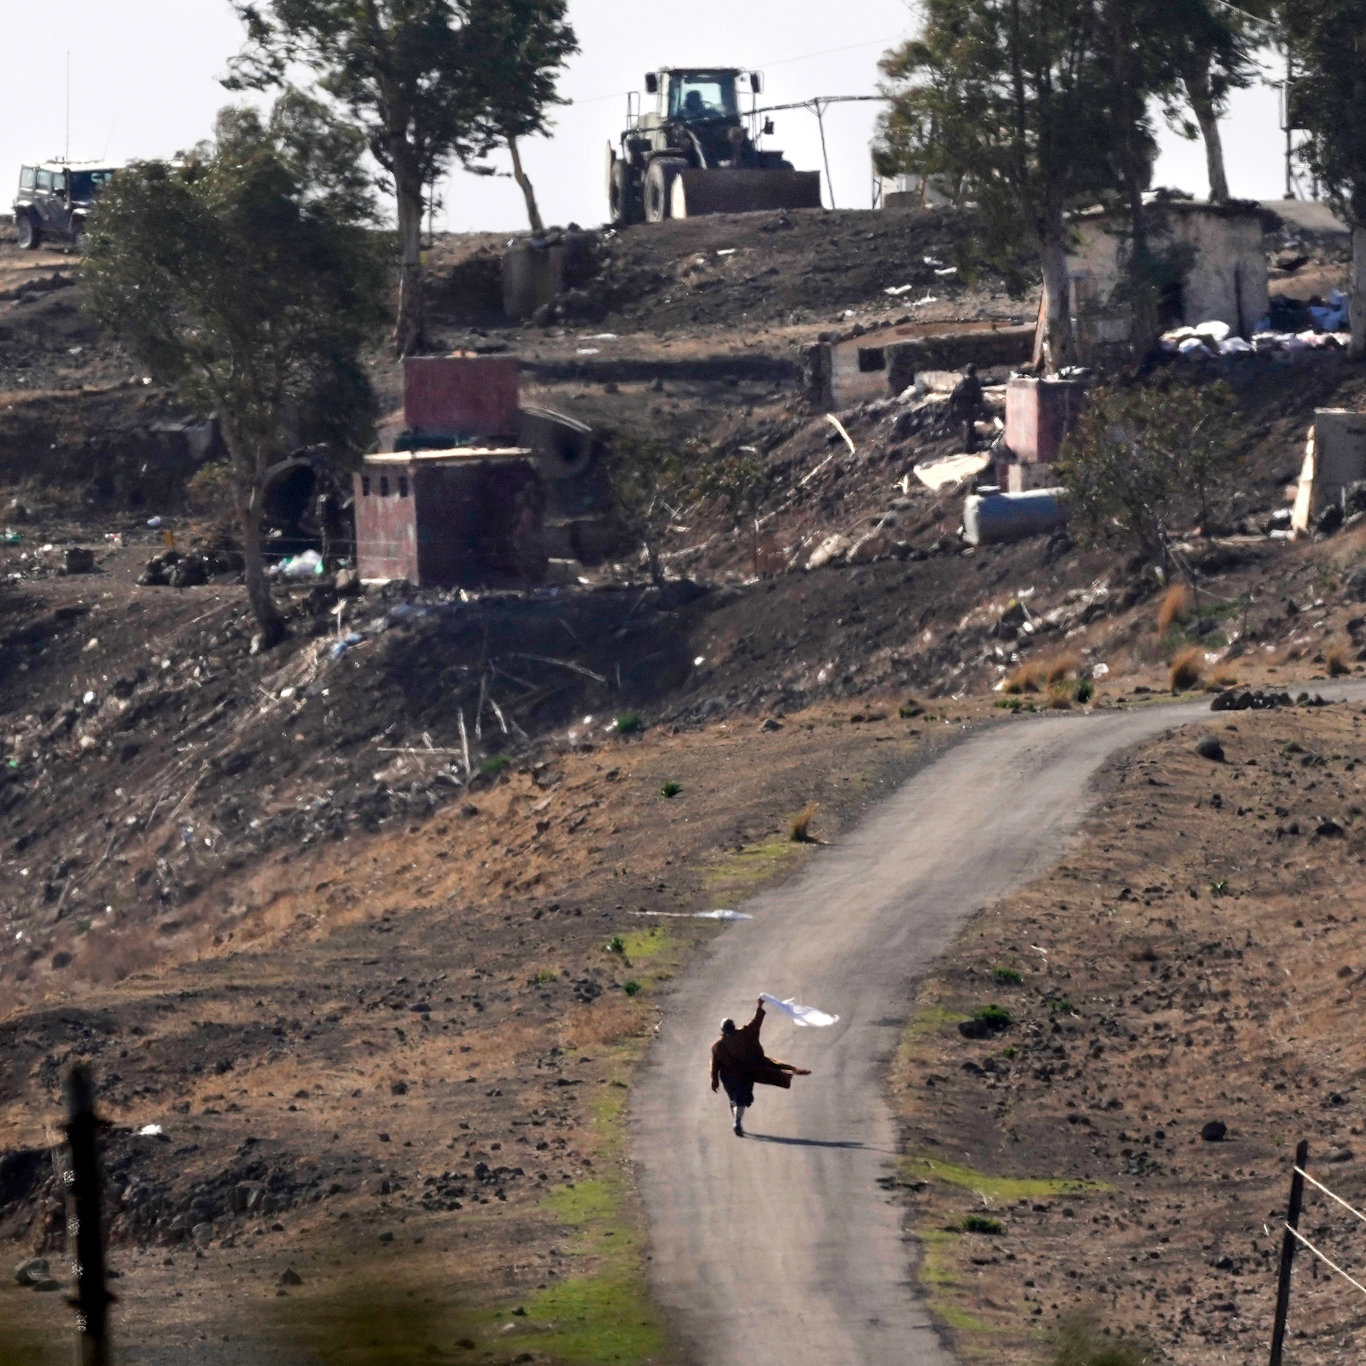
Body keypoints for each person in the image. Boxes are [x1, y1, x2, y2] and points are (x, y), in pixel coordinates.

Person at [710, 998, 811, 1137]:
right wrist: (759, 1006)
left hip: (728, 1077)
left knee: (735, 1099)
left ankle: (736, 1121)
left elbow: (715, 1065)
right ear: (733, 1027)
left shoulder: (717, 1046)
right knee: (740, 1099)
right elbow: (755, 1022)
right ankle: (737, 1122)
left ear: (722, 1030)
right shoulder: (743, 1034)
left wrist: (714, 1080)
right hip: (743, 1075)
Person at [947, 363, 986, 453]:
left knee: (967, 425)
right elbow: (978, 396)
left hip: (959, 406)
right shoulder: (975, 381)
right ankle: (969, 447)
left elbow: (954, 394)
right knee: (969, 424)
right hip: (968, 405)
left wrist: (951, 405)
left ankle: (970, 444)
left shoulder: (962, 381)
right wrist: (982, 406)